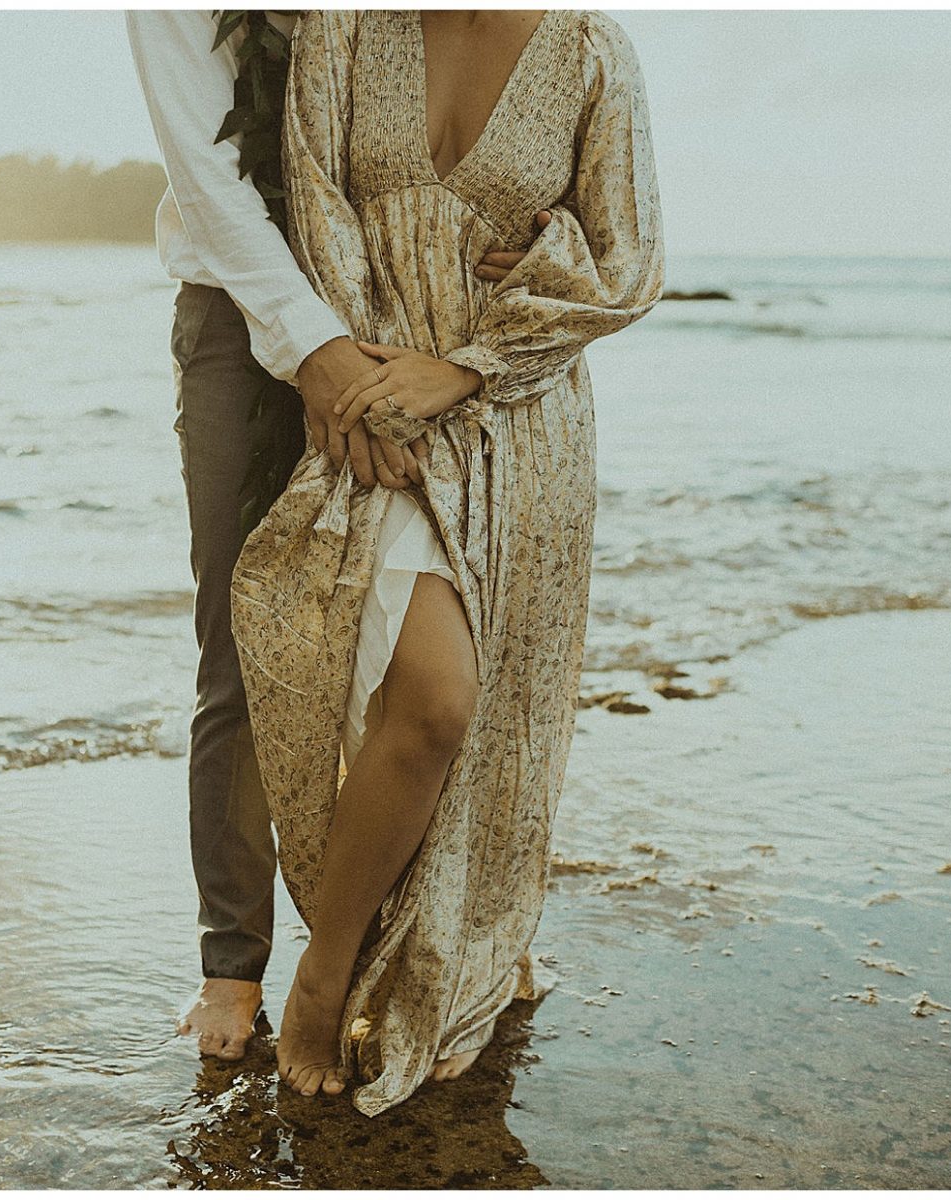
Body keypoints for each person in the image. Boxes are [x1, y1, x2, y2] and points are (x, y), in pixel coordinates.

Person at [229, 9, 665, 1116]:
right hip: (378, 408)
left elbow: (625, 262)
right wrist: (378, 382)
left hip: (518, 414)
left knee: (481, 710)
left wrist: (464, 366)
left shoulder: (590, 51)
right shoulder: (344, 27)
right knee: (429, 697)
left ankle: (447, 946)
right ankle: (325, 977)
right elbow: (316, 211)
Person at [123, 11, 534, 1065]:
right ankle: (233, 962)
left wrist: (516, 225)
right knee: (245, 642)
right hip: (244, 318)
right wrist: (316, 352)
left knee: (457, 626)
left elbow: (464, 87)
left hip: (415, 316)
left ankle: (434, 931)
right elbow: (212, 180)